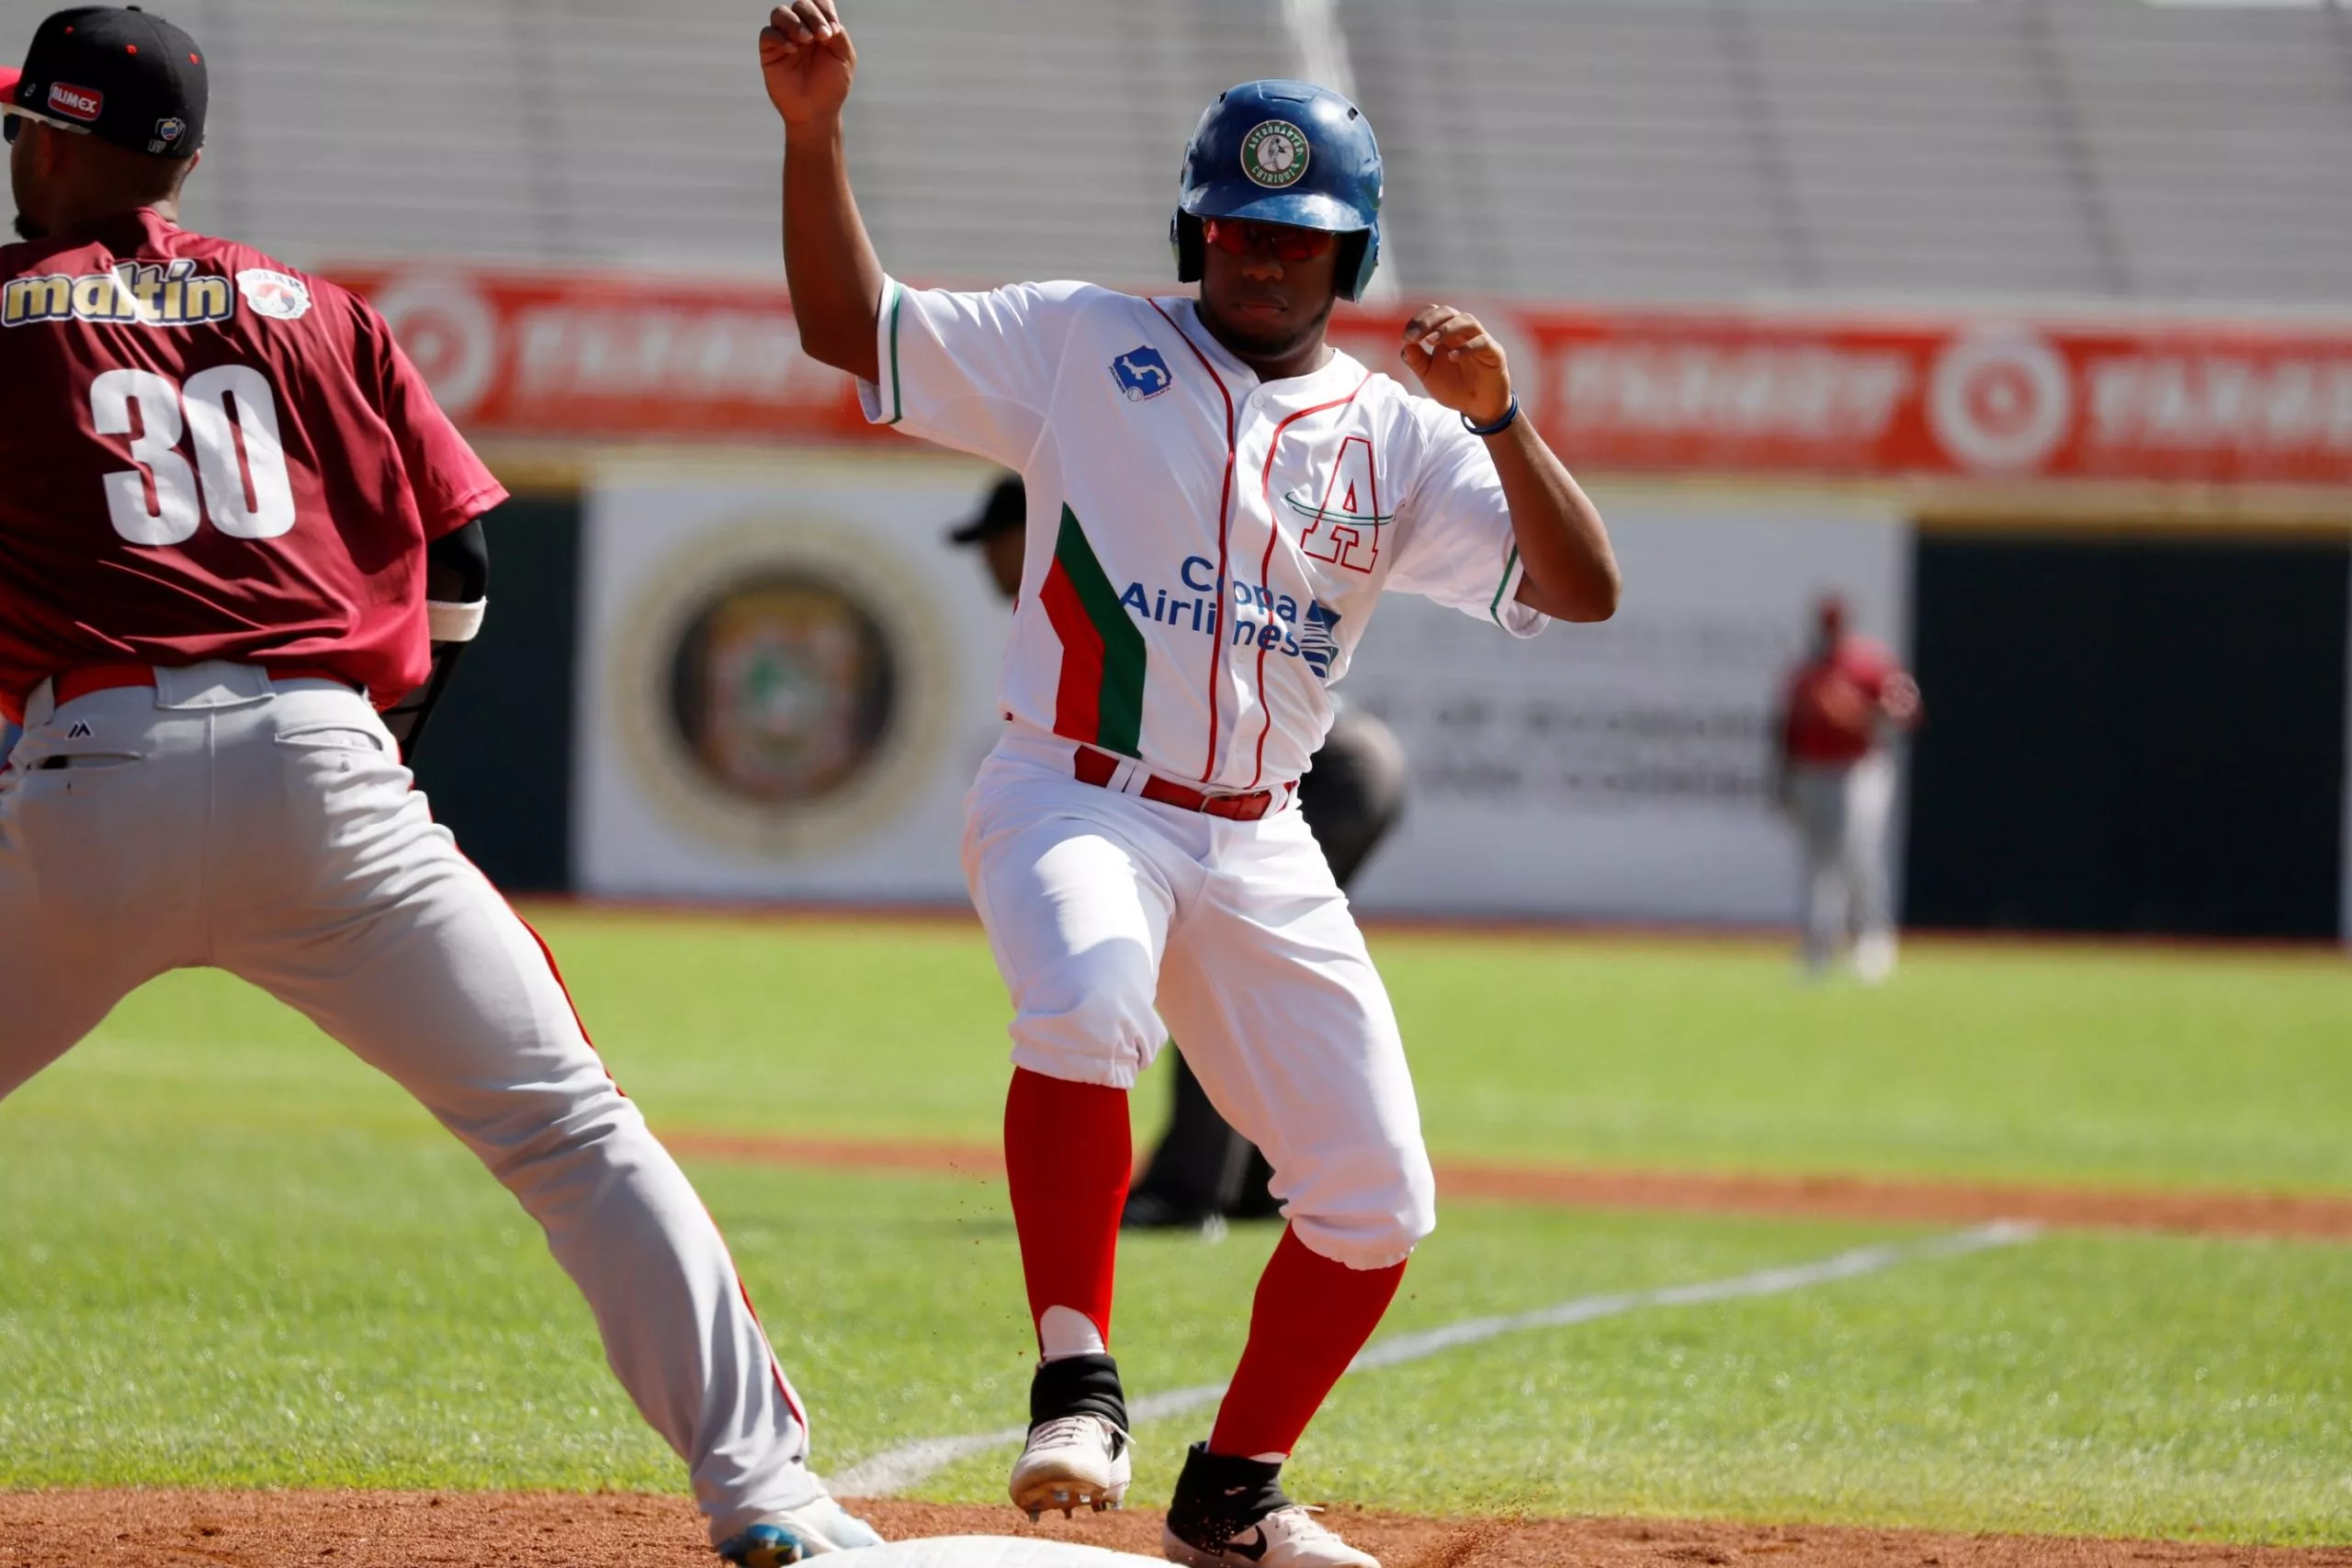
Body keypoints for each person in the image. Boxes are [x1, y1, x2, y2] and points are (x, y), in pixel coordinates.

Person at [0, 12, 878, 1564]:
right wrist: (378, 745)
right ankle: (773, 1495)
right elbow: (461, 554)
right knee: (570, 1129)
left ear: (69, 142)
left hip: (92, 773)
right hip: (330, 767)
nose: (15, 149)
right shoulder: (320, 310)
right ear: (186, 160)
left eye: (27, 126)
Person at [766, 9, 1620, 1566]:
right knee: (1089, 993)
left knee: (1375, 1199)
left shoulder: (1401, 437)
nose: (1262, 256)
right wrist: (814, 135)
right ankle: (1075, 1378)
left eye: (1299, 237)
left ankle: (1232, 1487)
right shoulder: (1083, 339)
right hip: (1074, 794)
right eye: (1235, 224)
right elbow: (852, 328)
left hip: (1259, 835)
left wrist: (1501, 418)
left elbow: (1581, 587)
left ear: (1348, 258)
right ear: (1194, 228)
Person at [948, 476, 1410, 1233]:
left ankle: (1194, 1186)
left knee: (1211, 960)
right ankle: (1255, 1181)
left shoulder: (1099, 556)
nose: (986, 564)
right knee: (1229, 967)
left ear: (1031, 526)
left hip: (1329, 768)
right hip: (1335, 764)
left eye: (992, 542)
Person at [1773, 595, 1923, 982]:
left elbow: (1907, 712)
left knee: (1858, 853)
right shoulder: (1805, 673)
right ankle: (1819, 944)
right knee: (1818, 862)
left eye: (1835, 625)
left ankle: (1873, 939)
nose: (1830, 632)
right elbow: (1785, 732)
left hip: (1859, 769)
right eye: (1826, 625)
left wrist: (1864, 713)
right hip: (1812, 773)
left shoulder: (1869, 664)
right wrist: (1782, 783)